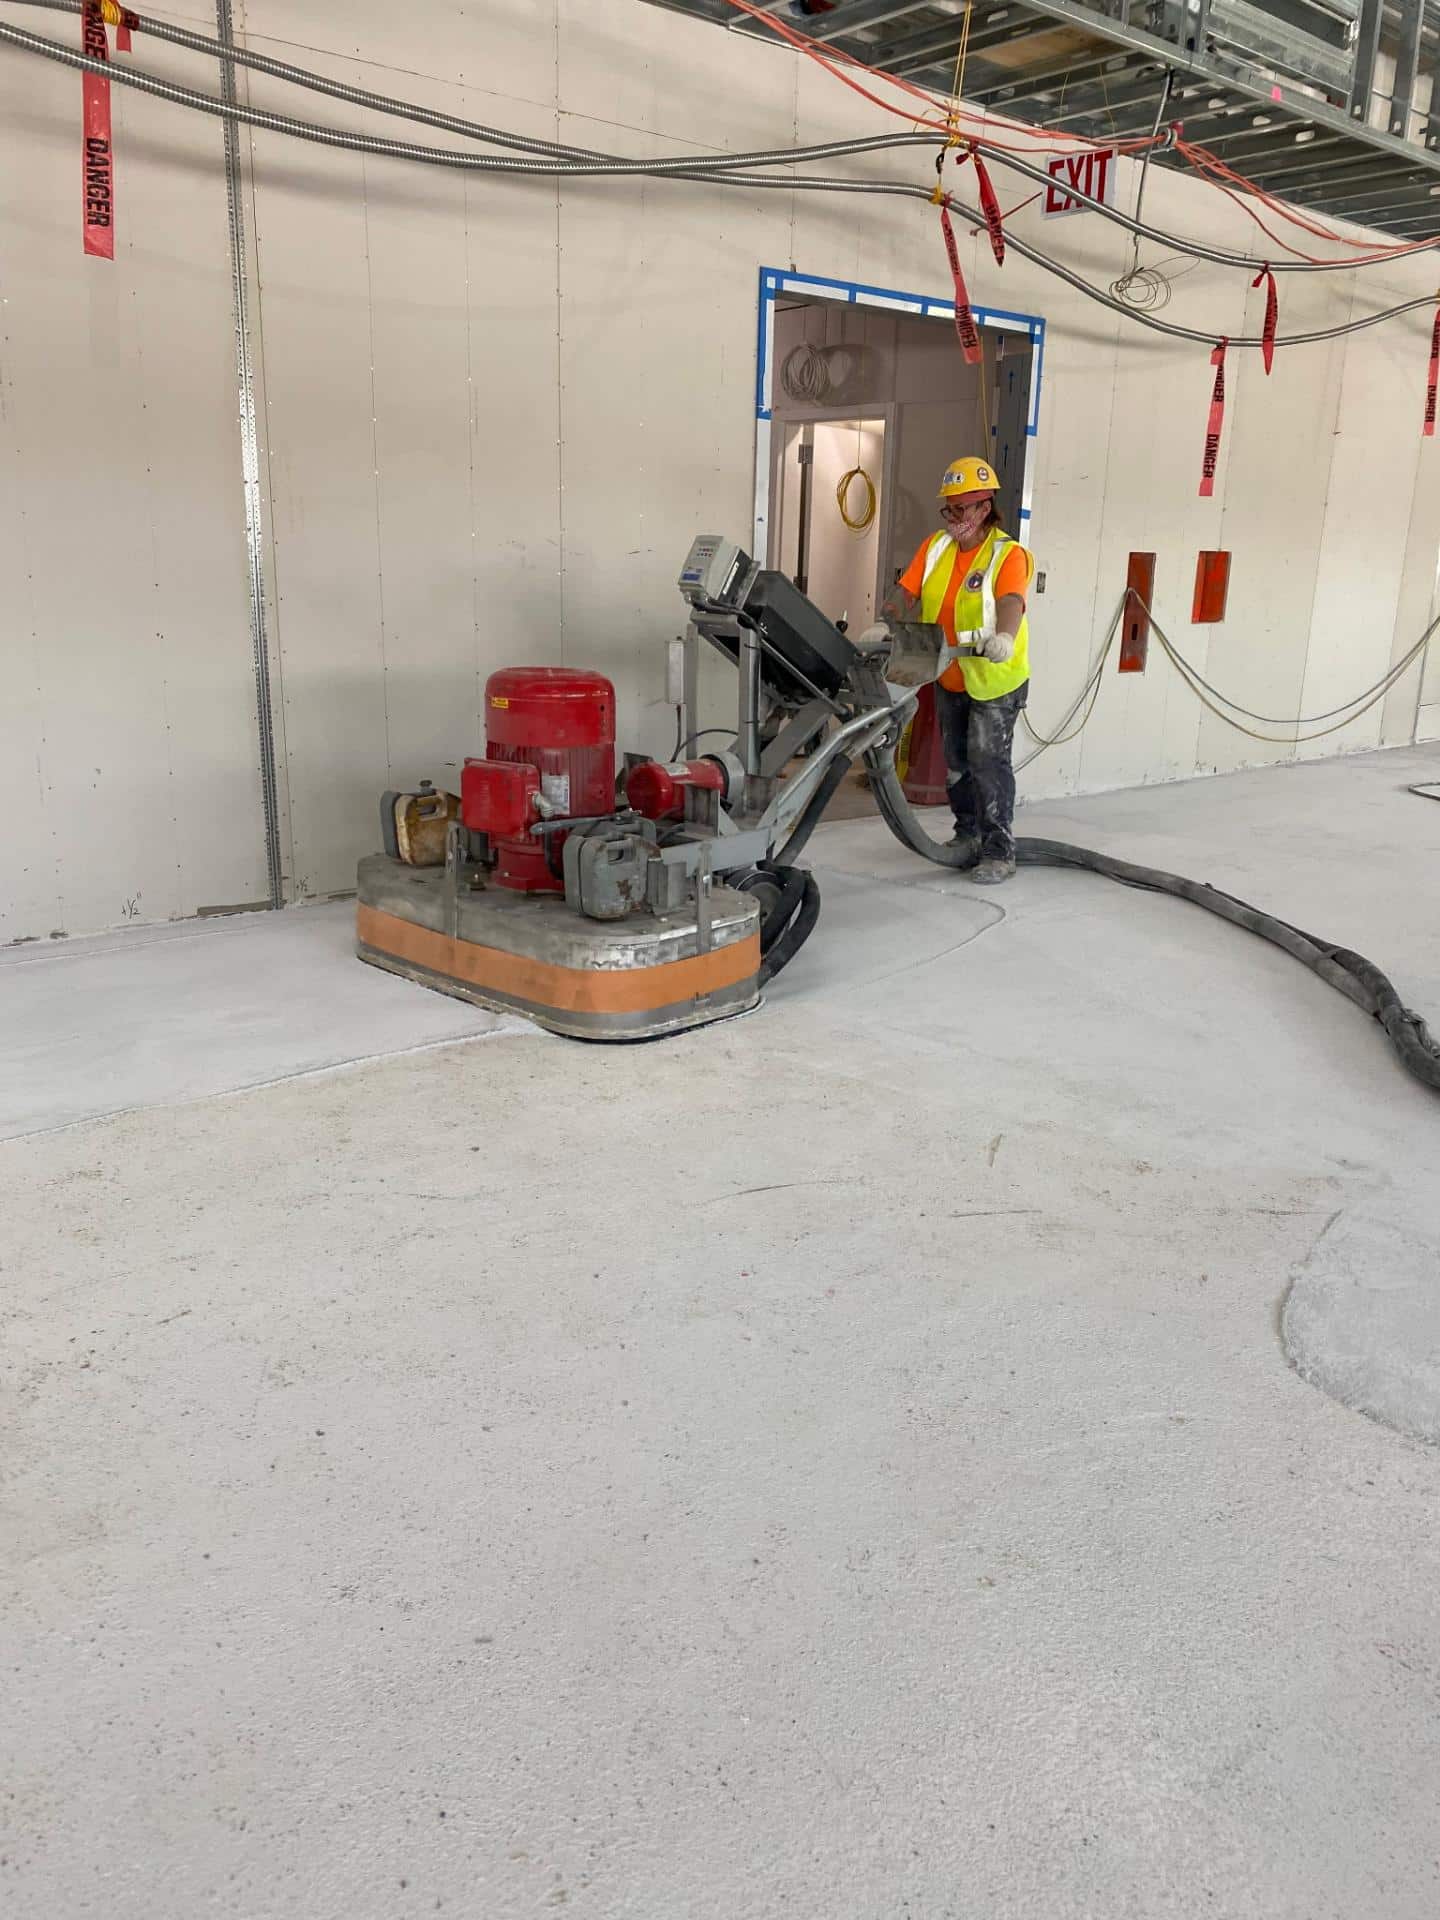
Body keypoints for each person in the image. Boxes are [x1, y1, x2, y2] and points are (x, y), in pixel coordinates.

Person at [879, 455, 1033, 884]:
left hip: (994, 677)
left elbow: (1011, 601)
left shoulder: (1007, 554)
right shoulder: (936, 547)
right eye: (948, 509)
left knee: (988, 761)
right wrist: (887, 618)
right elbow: (906, 591)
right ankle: (967, 836)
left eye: (961, 509)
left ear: (985, 507)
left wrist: (1004, 637)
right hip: (948, 674)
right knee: (957, 762)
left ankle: (999, 851)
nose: (953, 518)